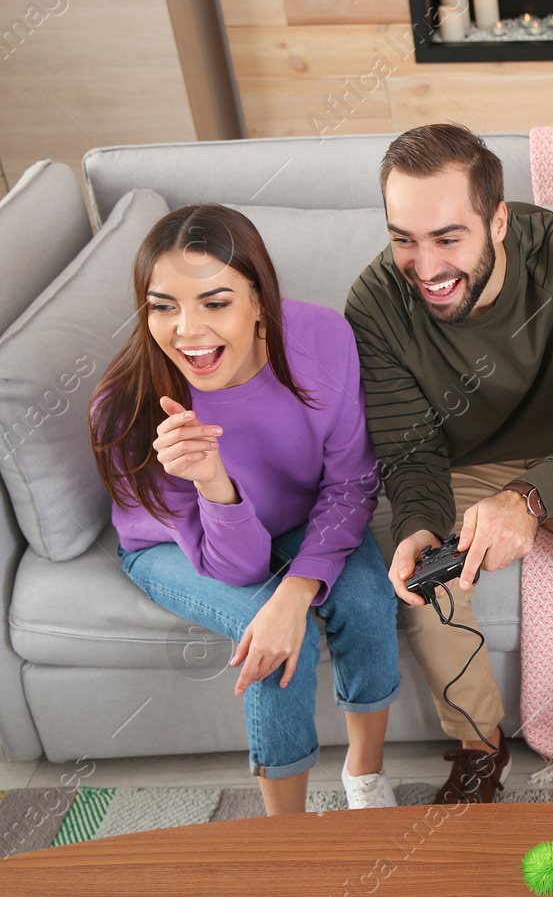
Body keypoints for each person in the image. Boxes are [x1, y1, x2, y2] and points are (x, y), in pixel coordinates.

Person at [346, 123, 553, 806]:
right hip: (463, 466)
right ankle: (479, 746)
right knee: (427, 581)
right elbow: (410, 451)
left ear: (497, 221)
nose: (426, 267)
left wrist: (528, 498)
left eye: (447, 237)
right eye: (404, 238)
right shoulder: (375, 302)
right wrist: (416, 522)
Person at [93, 204, 400, 816]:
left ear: (260, 300)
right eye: (163, 305)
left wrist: (298, 592)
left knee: (367, 599)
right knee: (271, 637)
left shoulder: (324, 340)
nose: (187, 331)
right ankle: (284, 832)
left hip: (302, 513)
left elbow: (352, 481)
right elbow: (234, 568)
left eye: (215, 302)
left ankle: (365, 776)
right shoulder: (127, 409)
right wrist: (213, 482)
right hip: (172, 547)